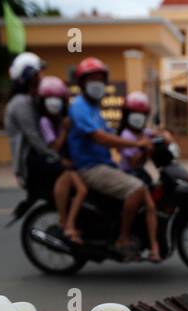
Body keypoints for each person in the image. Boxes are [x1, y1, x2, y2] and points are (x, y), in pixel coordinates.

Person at [66, 58, 159, 262]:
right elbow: (100, 137)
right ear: (82, 83)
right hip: (91, 167)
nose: (97, 83)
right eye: (92, 79)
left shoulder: (95, 109)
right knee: (136, 189)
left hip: (105, 165)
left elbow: (112, 135)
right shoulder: (80, 106)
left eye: (101, 79)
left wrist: (156, 136)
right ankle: (123, 239)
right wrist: (135, 145)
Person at [37, 75, 86, 242]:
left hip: (67, 161)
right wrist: (65, 131)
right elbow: (54, 148)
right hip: (55, 165)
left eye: (57, 98)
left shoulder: (60, 119)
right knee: (82, 190)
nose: (54, 102)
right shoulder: (45, 121)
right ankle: (67, 224)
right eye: (50, 98)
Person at [3, 51, 57, 188]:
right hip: (31, 162)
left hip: (36, 158)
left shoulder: (29, 100)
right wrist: (55, 156)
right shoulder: (21, 102)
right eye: (38, 74)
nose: (41, 77)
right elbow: (33, 135)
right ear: (28, 77)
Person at [116, 91, 175, 187]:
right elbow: (133, 163)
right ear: (126, 114)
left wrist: (166, 135)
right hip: (128, 173)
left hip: (139, 171)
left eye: (141, 113)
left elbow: (158, 133)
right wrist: (144, 150)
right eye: (134, 112)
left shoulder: (143, 132)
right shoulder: (126, 135)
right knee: (144, 189)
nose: (138, 117)